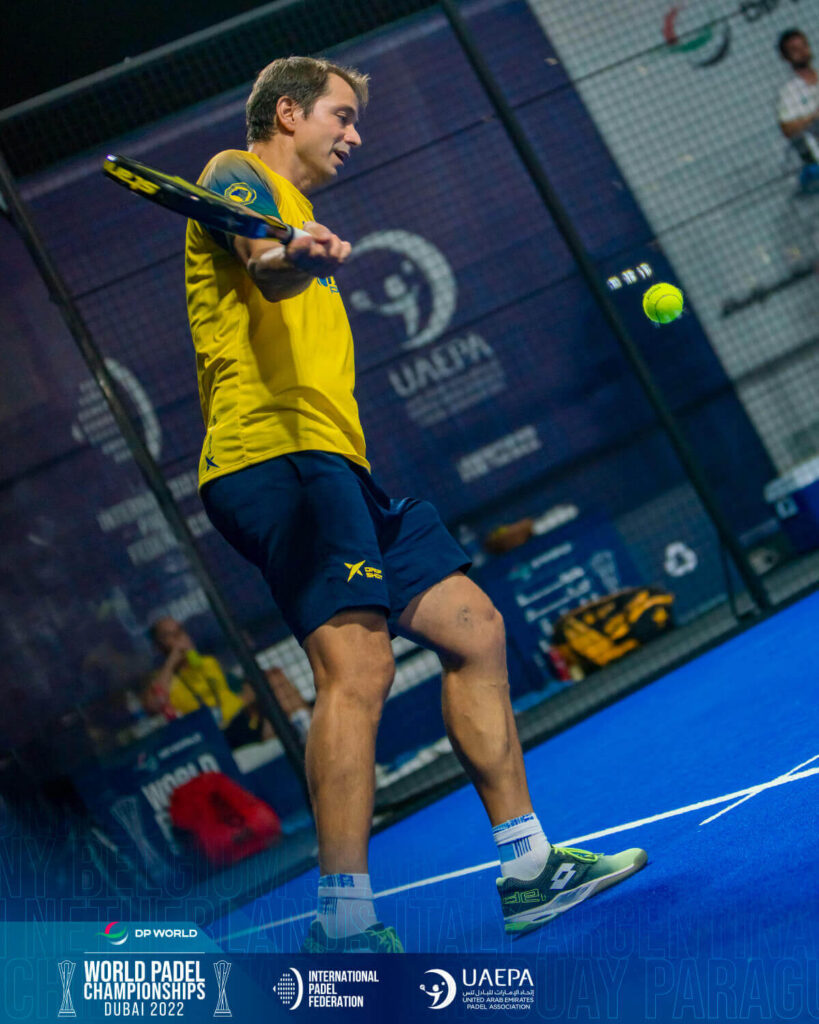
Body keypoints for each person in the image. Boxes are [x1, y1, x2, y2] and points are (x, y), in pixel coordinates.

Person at [185, 56, 646, 953]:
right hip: (273, 457)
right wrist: (291, 253)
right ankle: (344, 924)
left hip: (336, 464)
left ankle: (528, 868)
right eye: (341, 115)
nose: (354, 134)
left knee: (473, 627)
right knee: (358, 671)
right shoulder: (235, 172)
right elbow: (260, 262)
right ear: (288, 113)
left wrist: (300, 246)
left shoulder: (296, 206)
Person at [146, 616, 311, 748]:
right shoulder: (164, 679)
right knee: (275, 704)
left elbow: (228, 695)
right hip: (221, 730)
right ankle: (306, 728)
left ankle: (308, 725)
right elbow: (154, 704)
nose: (179, 638)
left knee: (274, 678)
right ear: (159, 646)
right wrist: (172, 661)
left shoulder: (208, 663)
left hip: (241, 715)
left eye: (180, 631)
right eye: (170, 635)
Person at [777, 29, 819, 163]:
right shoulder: (789, 92)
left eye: (804, 46)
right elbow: (787, 128)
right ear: (786, 57)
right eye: (795, 50)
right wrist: (813, 117)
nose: (802, 52)